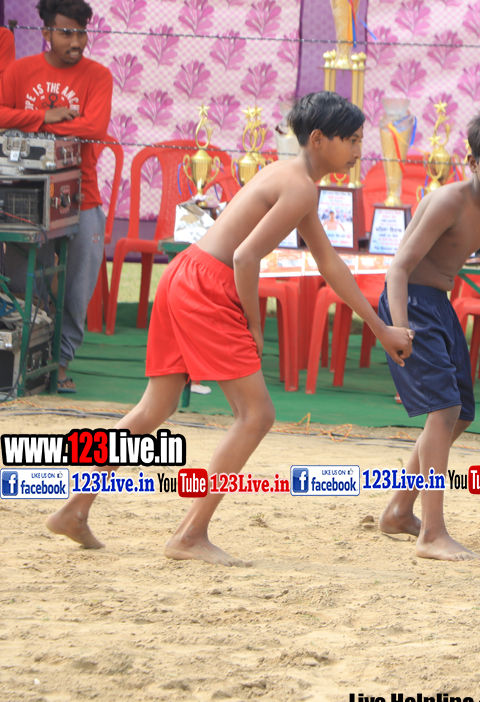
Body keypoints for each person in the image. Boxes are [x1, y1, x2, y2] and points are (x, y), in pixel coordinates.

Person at [44, 92, 415, 565]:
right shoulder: (300, 186)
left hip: (185, 274)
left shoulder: (293, 179)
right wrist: (253, 323)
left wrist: (380, 328)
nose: (360, 151)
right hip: (207, 285)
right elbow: (245, 257)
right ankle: (189, 535)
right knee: (256, 415)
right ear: (320, 139)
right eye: (353, 140)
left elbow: (329, 264)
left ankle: (74, 510)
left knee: (155, 406)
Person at [376, 108, 480, 561]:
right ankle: (432, 533)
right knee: (444, 409)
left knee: (461, 411)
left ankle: (399, 510)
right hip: (410, 303)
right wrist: (399, 328)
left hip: (439, 306)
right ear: (471, 161)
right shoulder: (449, 200)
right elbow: (399, 267)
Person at [0, 0, 112, 393]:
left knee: (77, 287)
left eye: (82, 33)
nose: (76, 42)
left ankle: (60, 362)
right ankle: (31, 359)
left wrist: (28, 125)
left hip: (83, 196)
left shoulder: (99, 76)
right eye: (66, 33)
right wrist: (42, 117)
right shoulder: (20, 71)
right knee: (23, 281)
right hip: (24, 199)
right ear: (46, 32)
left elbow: (94, 128)